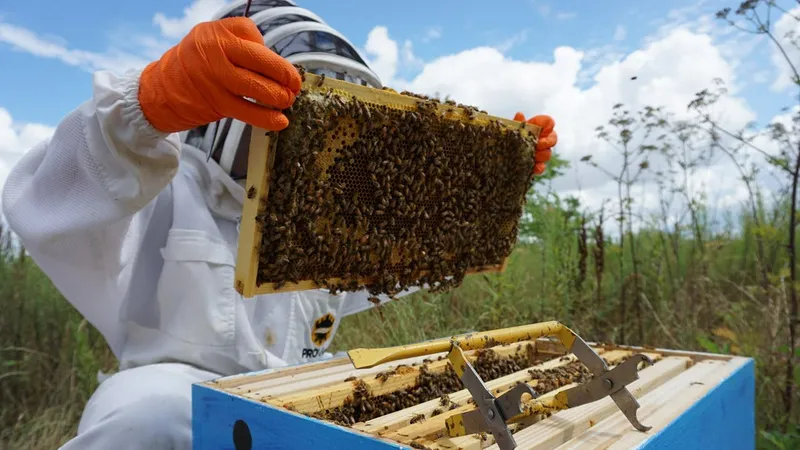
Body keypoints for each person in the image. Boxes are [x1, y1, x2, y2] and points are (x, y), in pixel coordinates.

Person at [1, 2, 558, 449]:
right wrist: (144, 107)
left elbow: (413, 251)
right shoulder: (163, 178)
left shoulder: (333, 218)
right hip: (175, 388)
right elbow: (44, 199)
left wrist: (485, 186)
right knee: (146, 417)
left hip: (300, 390)